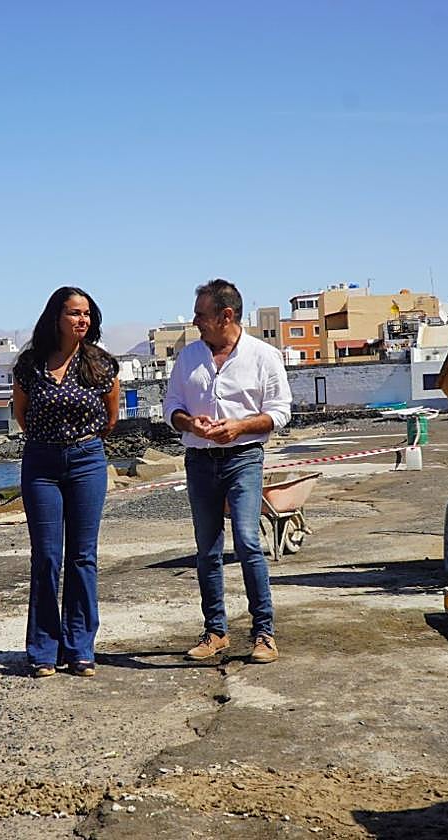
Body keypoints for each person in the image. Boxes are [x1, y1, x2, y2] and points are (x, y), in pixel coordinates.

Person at [162, 278, 292, 664]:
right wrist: (189, 424)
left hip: (243, 458)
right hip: (199, 461)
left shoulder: (264, 356)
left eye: (202, 315)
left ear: (226, 315)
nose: (196, 321)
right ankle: (216, 631)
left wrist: (239, 426)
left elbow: (281, 411)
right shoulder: (188, 357)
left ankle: (263, 633)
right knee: (207, 550)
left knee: (249, 542)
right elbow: (171, 405)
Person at [12, 287, 120, 678]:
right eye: (75, 313)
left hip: (87, 460)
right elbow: (21, 414)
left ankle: (80, 648)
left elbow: (111, 418)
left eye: (87, 314)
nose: (83, 320)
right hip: (41, 463)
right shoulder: (30, 365)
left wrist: (81, 443)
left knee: (82, 556)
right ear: (56, 317)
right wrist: (50, 441)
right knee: (46, 557)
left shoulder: (101, 364)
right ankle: (43, 648)